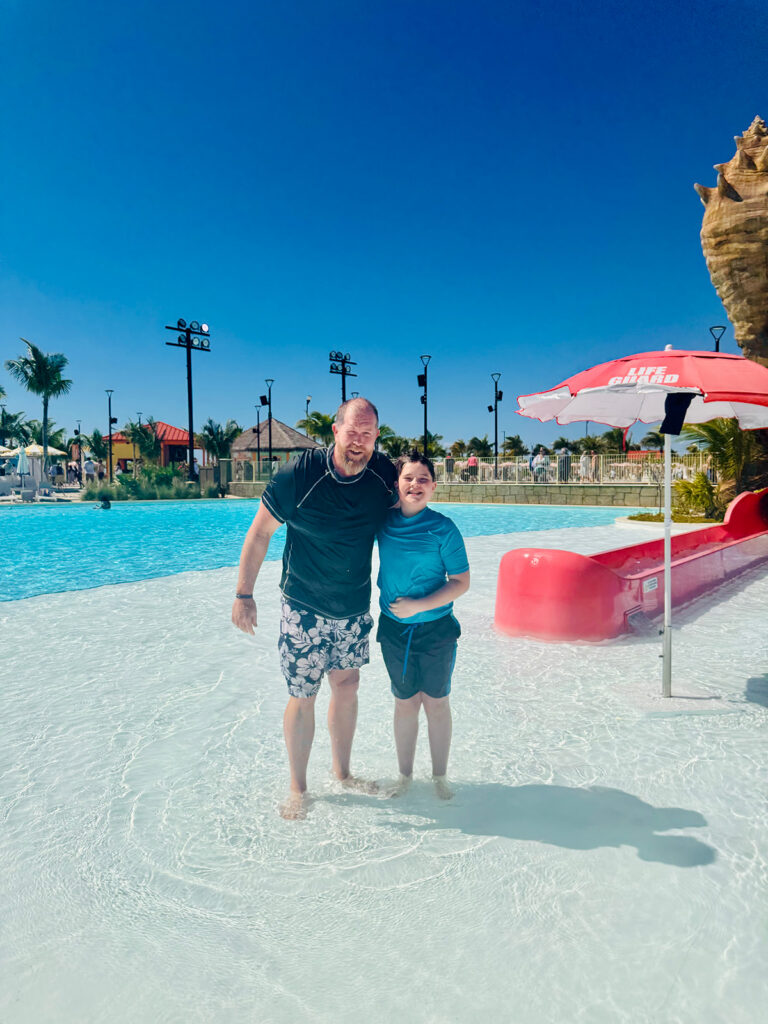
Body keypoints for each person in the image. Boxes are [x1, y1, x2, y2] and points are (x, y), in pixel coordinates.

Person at [231, 397, 397, 820]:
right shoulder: (298, 476)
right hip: (303, 607)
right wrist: (244, 594)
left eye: (367, 434)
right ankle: (298, 788)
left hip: (354, 607)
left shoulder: (383, 476)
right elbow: (259, 533)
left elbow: (405, 528)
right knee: (302, 695)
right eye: (351, 432)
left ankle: (342, 774)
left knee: (347, 687)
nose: (358, 442)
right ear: (335, 430)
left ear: (375, 437)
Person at [376, 452, 469, 800]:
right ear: (397, 484)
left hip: (437, 631)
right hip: (394, 632)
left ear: (433, 486)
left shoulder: (444, 528)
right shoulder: (383, 522)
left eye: (423, 479)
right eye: (408, 478)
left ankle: (440, 777)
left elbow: (461, 581)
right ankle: (404, 776)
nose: (415, 485)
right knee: (404, 703)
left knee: (436, 702)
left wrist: (420, 605)